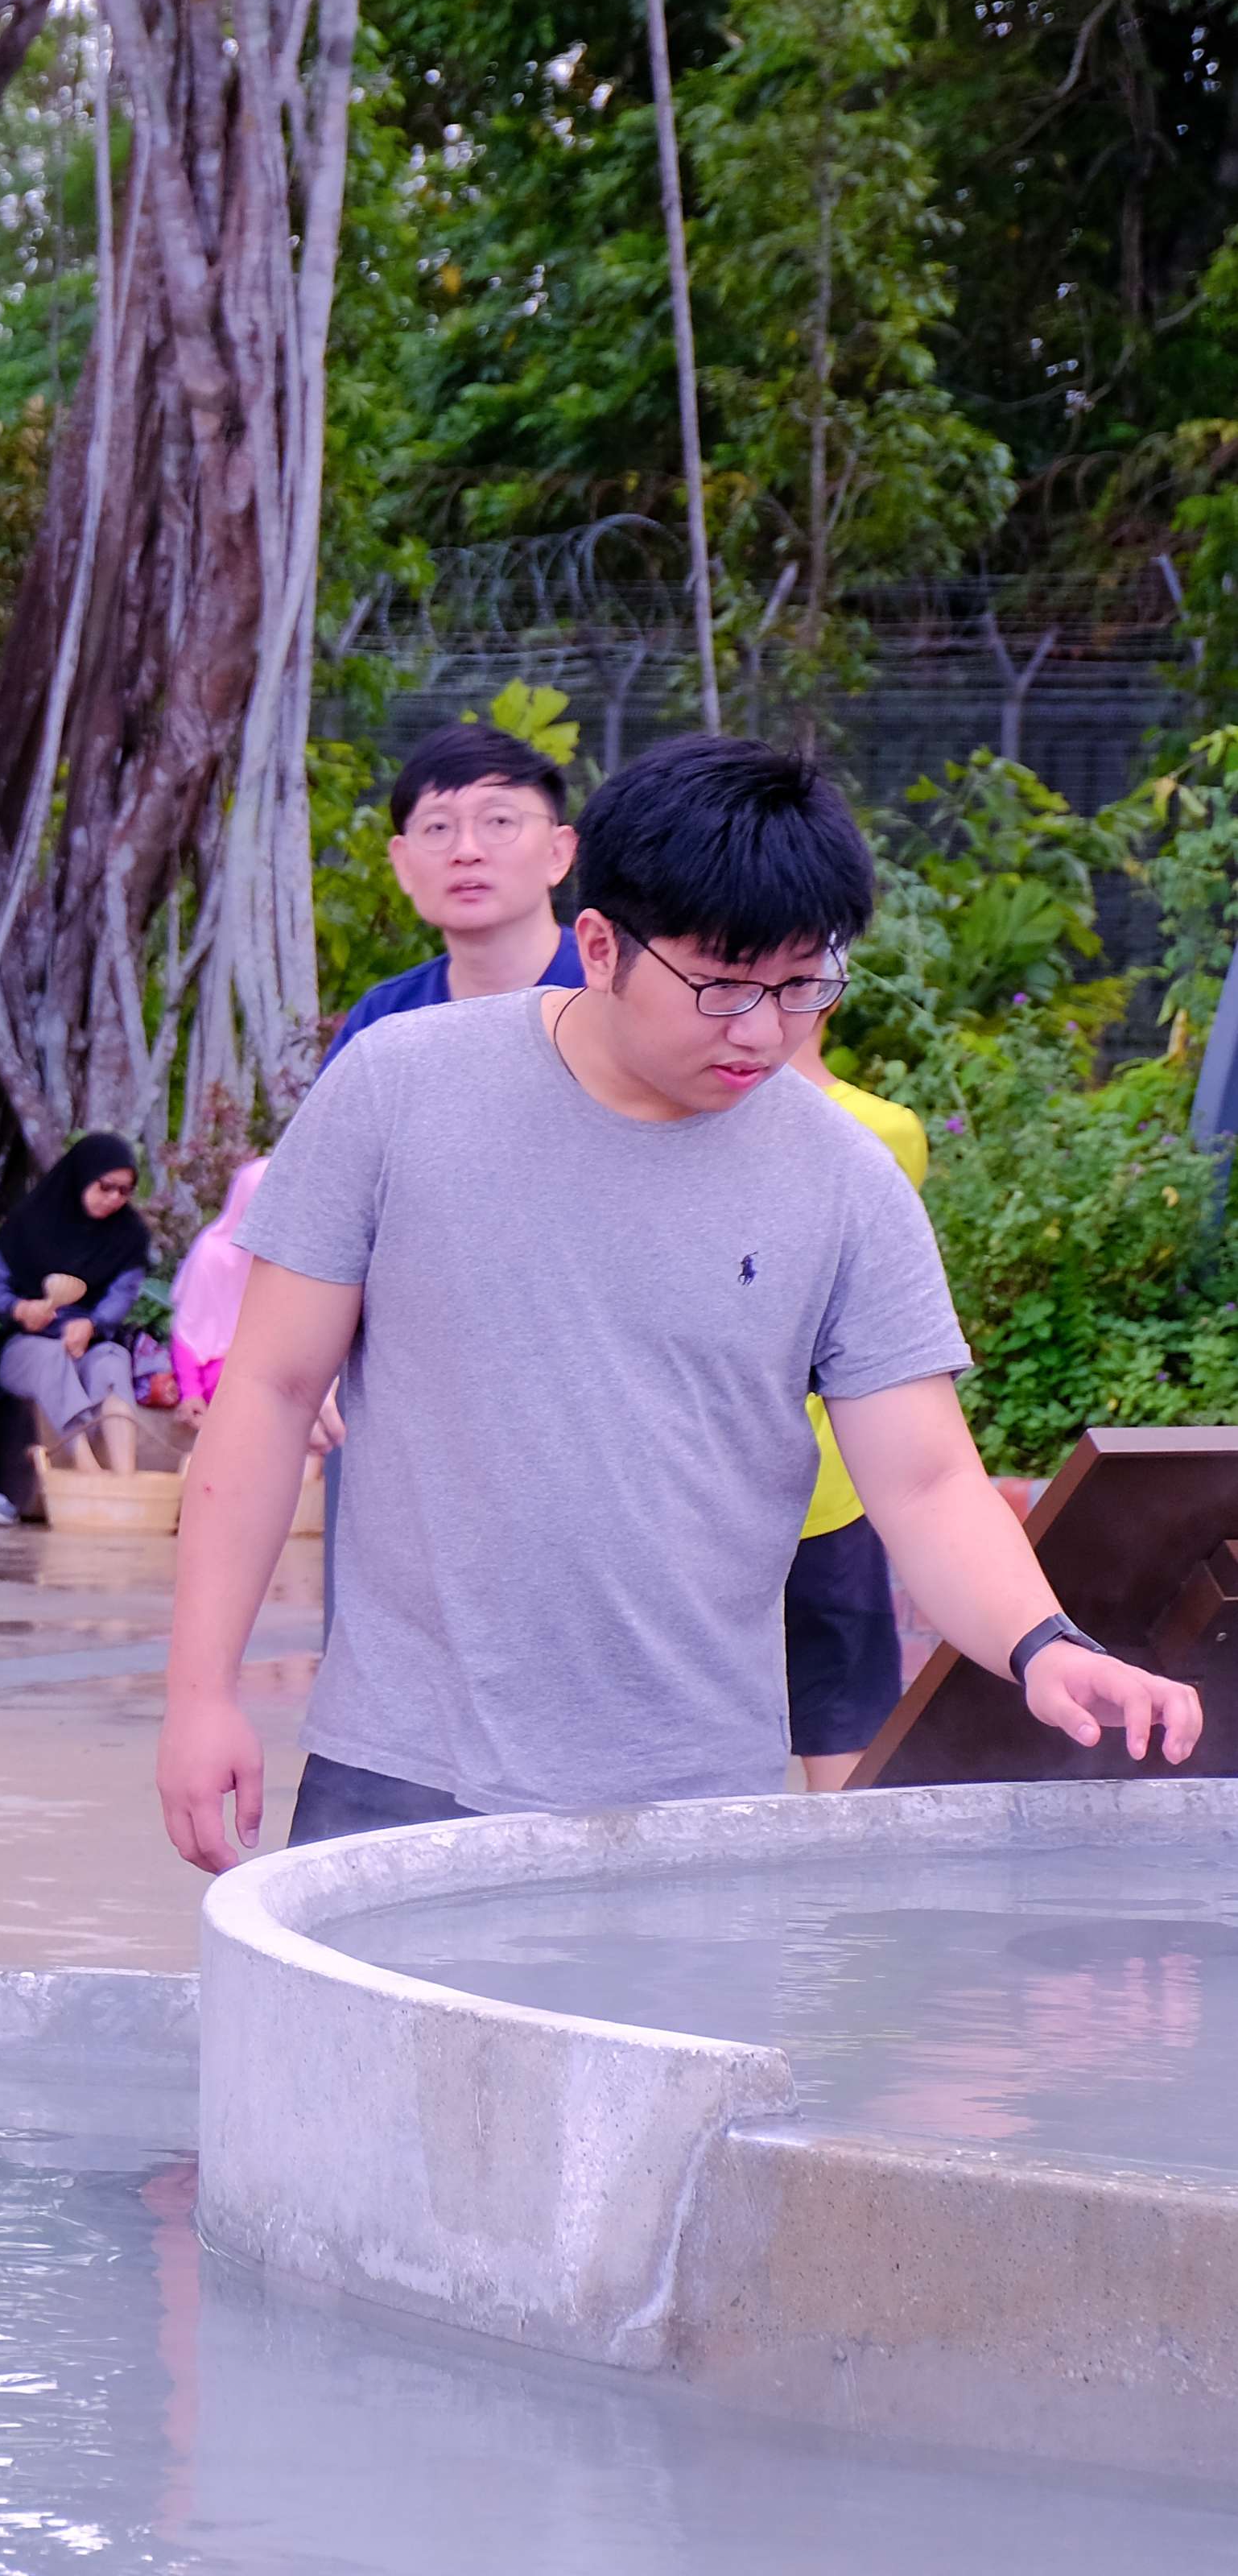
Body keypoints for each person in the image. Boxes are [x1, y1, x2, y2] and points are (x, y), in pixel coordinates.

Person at [155, 735, 1201, 1871]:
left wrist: (1041, 1644)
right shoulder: (399, 1086)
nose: (759, 1028)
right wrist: (200, 1692)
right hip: (403, 1762)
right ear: (597, 945)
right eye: (720, 983)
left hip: (697, 1799)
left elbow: (926, 1477)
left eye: (802, 983)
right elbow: (267, 1390)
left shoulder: (844, 1181)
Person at [788, 1020, 937, 1791]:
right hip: (828, 1488)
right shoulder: (887, 1130)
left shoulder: (879, 1133)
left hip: (827, 1490)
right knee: (839, 1719)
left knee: (841, 1726)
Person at [328, 721, 587, 1055]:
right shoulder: (383, 1021)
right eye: (438, 827)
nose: (466, 851)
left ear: (558, 853)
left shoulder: (618, 994)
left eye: (499, 822)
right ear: (403, 864)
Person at [0, 1135, 155, 1476]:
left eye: (124, 1191)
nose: (114, 1199)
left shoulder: (130, 1235)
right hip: (26, 1346)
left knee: (113, 1359)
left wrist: (91, 1324)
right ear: (82, 1176)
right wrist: (20, 1309)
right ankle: (87, 1470)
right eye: (106, 1187)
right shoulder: (29, 1221)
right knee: (51, 1357)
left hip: (88, 1344)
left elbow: (120, 1298)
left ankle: (125, 1477)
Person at [167, 1158, 270, 1416]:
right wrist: (190, 1392)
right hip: (221, 1377)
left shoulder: (284, 1261)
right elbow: (190, 1329)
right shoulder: (213, 1252)